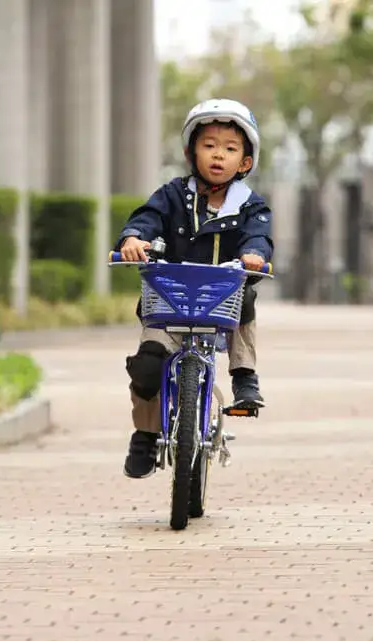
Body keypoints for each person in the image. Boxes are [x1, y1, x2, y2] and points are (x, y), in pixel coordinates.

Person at [113, 98, 274, 479]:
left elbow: (260, 236)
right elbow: (147, 218)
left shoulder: (250, 204)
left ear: (245, 163)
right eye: (209, 145)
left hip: (221, 298)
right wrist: (134, 238)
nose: (219, 155)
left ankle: (244, 376)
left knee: (245, 296)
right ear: (191, 152)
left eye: (230, 149)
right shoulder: (171, 195)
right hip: (168, 299)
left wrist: (253, 253)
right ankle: (145, 434)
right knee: (148, 364)